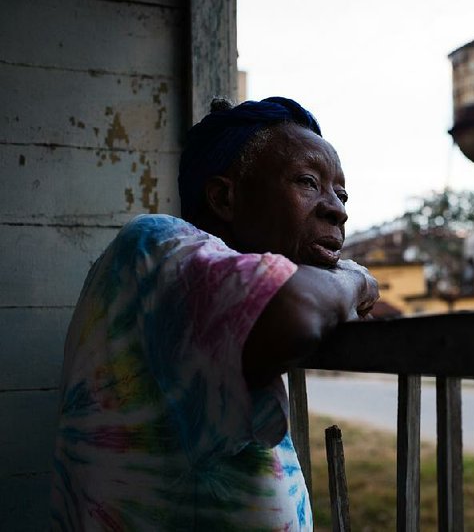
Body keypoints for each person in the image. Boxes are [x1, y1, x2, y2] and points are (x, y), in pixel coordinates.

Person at [49, 97, 379, 530]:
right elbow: (296, 312)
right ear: (224, 196)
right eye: (307, 182)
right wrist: (353, 279)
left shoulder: (205, 295)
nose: (338, 208)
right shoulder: (154, 242)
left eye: (341, 192)